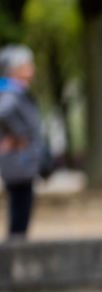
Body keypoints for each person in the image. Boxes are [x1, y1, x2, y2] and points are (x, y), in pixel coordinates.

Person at [0, 44, 50, 242]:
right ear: (14, 69)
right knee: (21, 207)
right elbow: (4, 113)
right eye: (28, 65)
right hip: (18, 161)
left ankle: (17, 248)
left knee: (20, 206)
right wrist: (20, 136)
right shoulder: (11, 92)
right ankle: (15, 252)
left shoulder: (10, 90)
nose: (32, 70)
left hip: (18, 161)